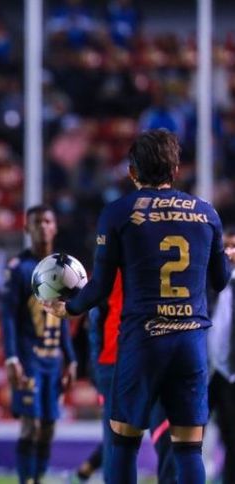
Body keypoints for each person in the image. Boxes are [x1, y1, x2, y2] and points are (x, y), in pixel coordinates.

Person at [44, 129, 230, 483]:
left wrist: (68, 309)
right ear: (175, 169)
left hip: (143, 341)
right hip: (191, 343)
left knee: (123, 444)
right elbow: (220, 281)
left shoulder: (118, 213)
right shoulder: (206, 213)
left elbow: (99, 287)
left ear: (132, 172)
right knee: (188, 448)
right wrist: (223, 257)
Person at [1, 205, 77, 484]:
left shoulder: (64, 267)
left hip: (53, 360)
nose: (42, 227)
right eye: (37, 222)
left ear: (55, 227)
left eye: (47, 221)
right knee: (29, 426)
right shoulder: (19, 268)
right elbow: (8, 316)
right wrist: (11, 357)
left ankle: (38, 477)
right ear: (27, 228)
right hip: (29, 358)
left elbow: (63, 317)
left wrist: (71, 358)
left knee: (47, 427)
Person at [77, 269, 174, 483]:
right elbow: (95, 321)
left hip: (148, 360)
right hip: (117, 363)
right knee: (119, 442)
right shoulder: (112, 269)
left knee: (163, 436)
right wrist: (98, 371)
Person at [208, 227, 235, 484]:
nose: (229, 252)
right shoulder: (207, 282)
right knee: (186, 432)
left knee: (232, 437)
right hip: (205, 370)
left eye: (234, 246)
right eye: (225, 246)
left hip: (230, 373)